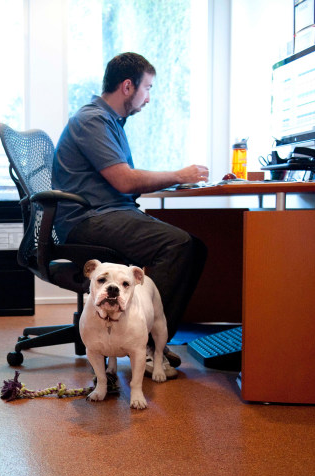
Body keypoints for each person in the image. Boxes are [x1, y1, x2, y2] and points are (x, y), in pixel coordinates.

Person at [51, 52, 208, 374]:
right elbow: (124, 179)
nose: (148, 98)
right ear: (127, 86)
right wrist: (179, 175)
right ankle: (148, 346)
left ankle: (148, 339)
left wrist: (173, 179)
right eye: (147, 88)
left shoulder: (110, 122)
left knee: (195, 246)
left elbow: (123, 181)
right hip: (88, 219)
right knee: (179, 245)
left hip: (104, 213)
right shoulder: (93, 120)